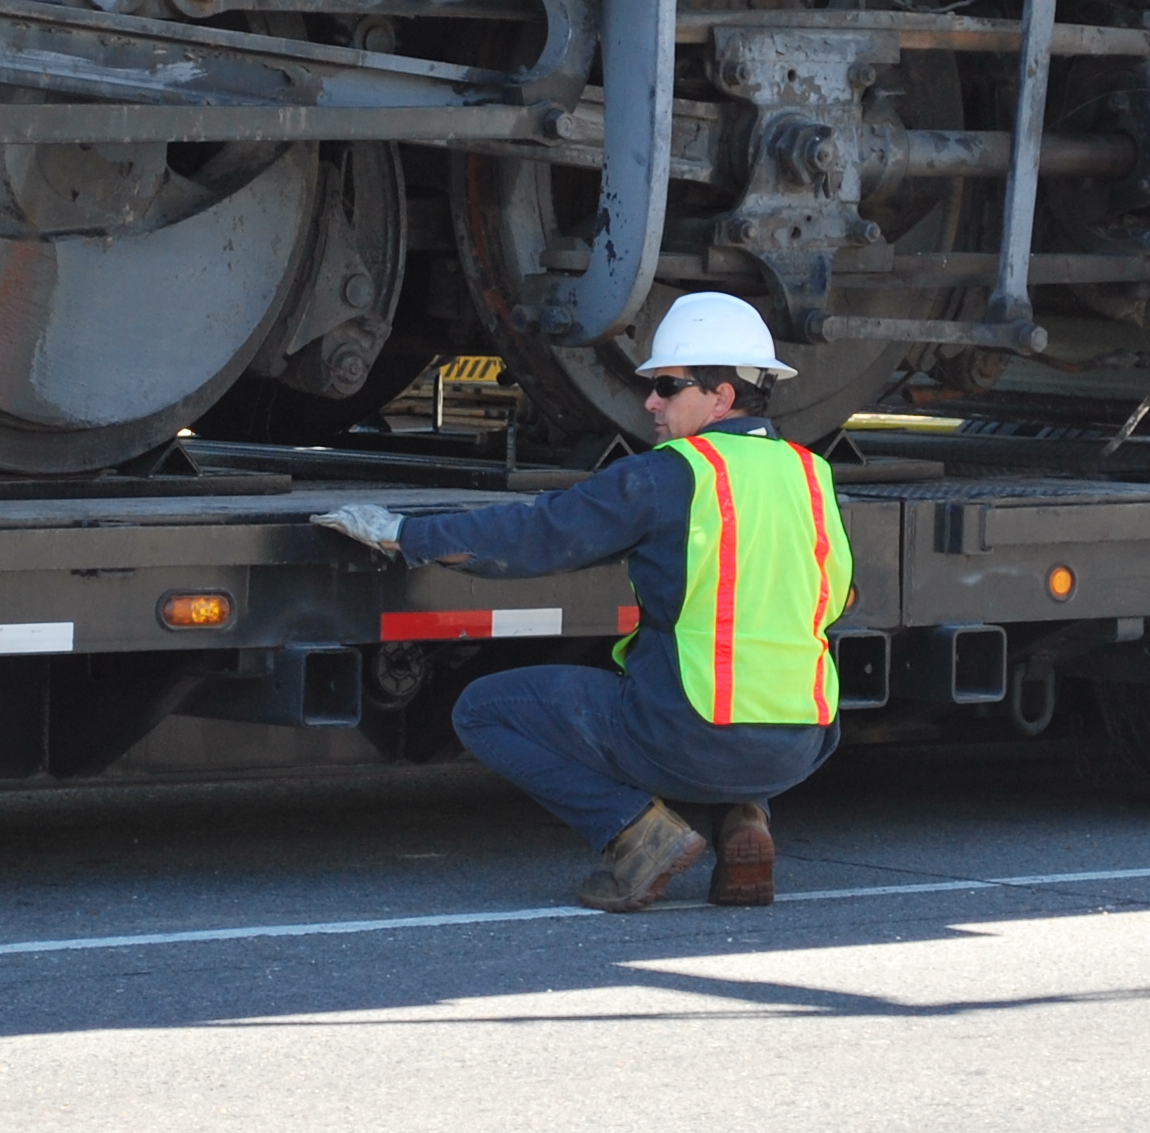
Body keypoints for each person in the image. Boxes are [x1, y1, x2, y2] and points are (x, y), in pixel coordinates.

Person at [314, 292, 850, 911]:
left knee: (483, 711)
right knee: (726, 688)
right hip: (800, 747)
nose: (650, 402)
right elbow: (838, 597)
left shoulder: (670, 474)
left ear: (721, 396)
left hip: (690, 740)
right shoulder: (811, 474)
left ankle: (638, 834)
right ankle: (743, 821)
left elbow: (537, 534)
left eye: (667, 386)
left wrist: (408, 535)